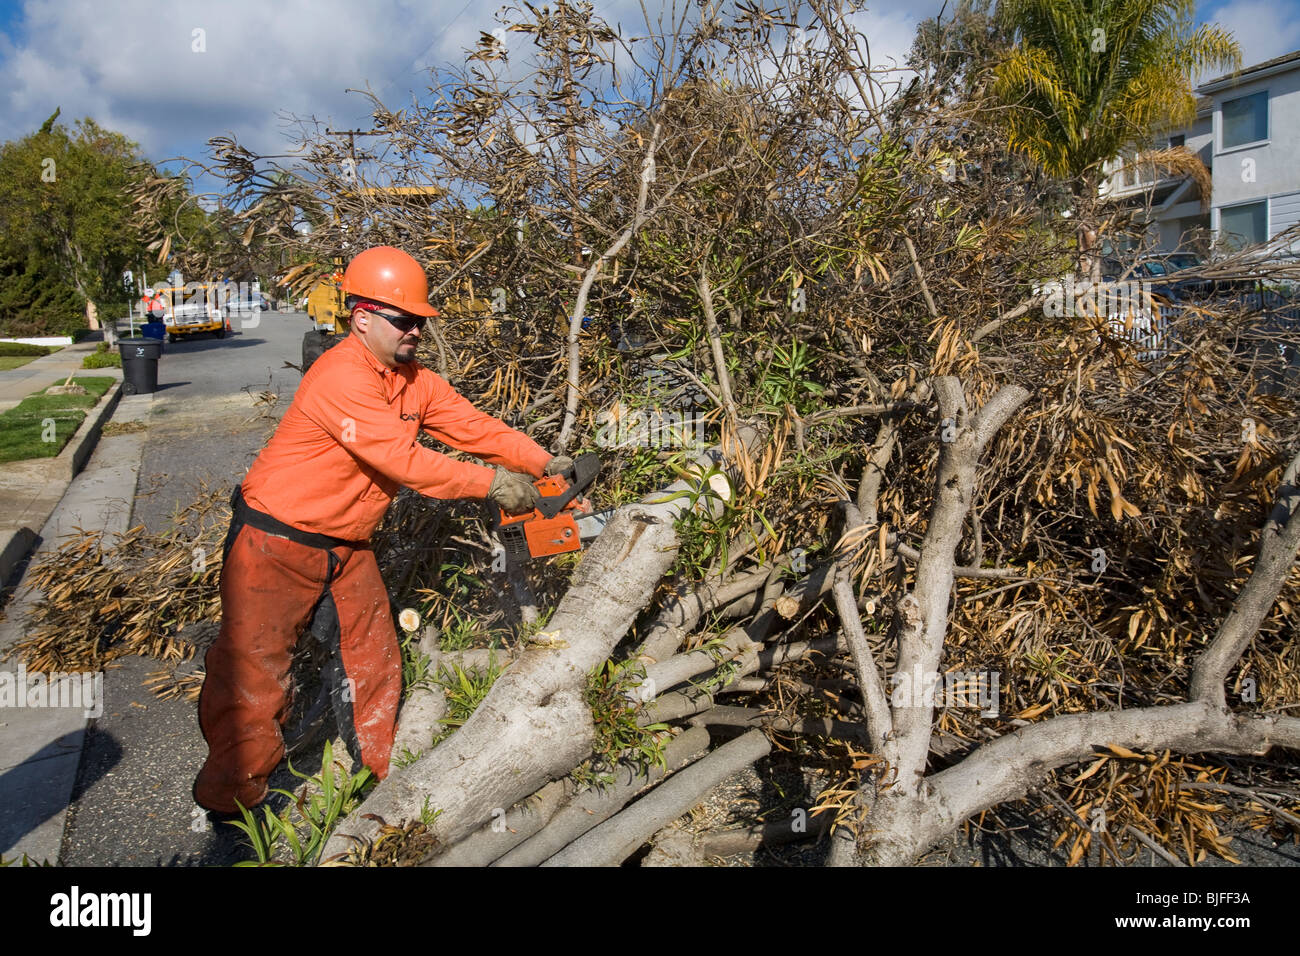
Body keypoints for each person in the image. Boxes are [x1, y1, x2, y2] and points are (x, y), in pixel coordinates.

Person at [193, 245, 572, 816]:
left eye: (420, 319)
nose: (415, 328)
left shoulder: (413, 380)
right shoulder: (340, 375)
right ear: (362, 317)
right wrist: (493, 484)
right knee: (254, 672)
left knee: (373, 655)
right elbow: (405, 461)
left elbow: (472, 426)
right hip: (275, 541)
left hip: (346, 544)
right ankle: (231, 801)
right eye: (403, 318)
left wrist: (542, 462)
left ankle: (380, 768)